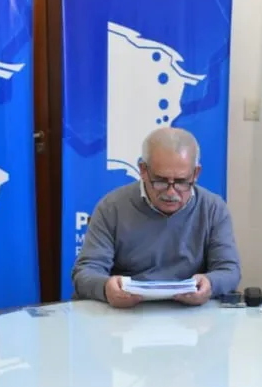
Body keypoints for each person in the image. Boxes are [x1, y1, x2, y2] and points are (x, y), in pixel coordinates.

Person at [72, 127, 241, 308]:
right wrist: (106, 287)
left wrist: (210, 283)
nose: (171, 192)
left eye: (182, 182)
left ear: (196, 173)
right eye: (160, 181)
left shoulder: (213, 208)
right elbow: (85, 272)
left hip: (189, 315)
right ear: (143, 170)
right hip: (127, 315)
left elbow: (229, 270)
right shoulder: (111, 207)